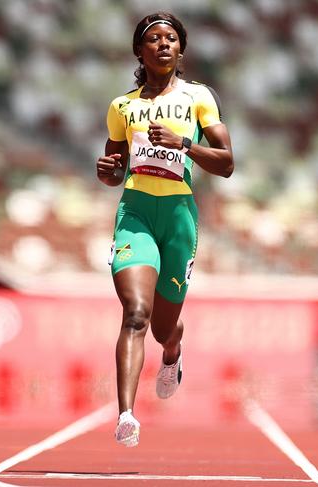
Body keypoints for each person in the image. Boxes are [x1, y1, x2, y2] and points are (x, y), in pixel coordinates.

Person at [96, 12, 234, 447]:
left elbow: (227, 162)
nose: (163, 45)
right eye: (153, 39)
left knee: (161, 328)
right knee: (136, 313)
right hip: (135, 212)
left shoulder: (198, 98)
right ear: (140, 50)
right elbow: (113, 169)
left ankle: (172, 353)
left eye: (171, 38)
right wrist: (107, 172)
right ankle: (126, 416)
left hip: (178, 216)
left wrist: (185, 145)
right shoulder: (123, 107)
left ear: (181, 49)